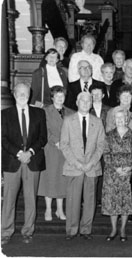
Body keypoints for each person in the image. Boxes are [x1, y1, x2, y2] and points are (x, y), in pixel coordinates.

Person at [1, 82, 47, 245]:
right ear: (14, 94)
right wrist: (20, 153)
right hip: (12, 161)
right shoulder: (4, 114)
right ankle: (5, 232)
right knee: (9, 200)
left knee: (30, 199)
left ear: (30, 94)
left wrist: (30, 152)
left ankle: (28, 231)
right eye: (20, 92)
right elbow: (3, 139)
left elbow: (43, 138)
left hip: (32, 161)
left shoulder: (39, 113)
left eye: (26, 93)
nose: (23, 95)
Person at [60, 92, 105, 240]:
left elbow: (101, 145)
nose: (85, 103)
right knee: (73, 200)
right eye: (83, 101)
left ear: (91, 103)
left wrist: (91, 162)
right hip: (74, 167)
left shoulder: (97, 122)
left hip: (92, 168)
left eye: (88, 101)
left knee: (90, 200)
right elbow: (64, 145)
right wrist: (77, 163)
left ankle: (86, 230)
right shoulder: (68, 121)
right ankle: (71, 230)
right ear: (77, 103)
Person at [102, 106, 132, 242]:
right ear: (114, 119)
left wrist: (130, 167)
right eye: (117, 117)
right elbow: (106, 154)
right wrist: (116, 168)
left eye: (122, 117)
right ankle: (113, 229)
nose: (120, 120)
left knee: (125, 202)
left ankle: (123, 229)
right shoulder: (108, 135)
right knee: (113, 203)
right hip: (112, 174)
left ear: (127, 119)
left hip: (128, 174)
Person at [38, 86, 74, 222]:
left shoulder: (71, 112)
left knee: (62, 179)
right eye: (57, 96)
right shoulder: (45, 111)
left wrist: (66, 143)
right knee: (50, 178)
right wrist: (56, 141)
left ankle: (60, 209)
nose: (60, 98)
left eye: (62, 96)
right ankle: (48, 209)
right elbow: (43, 130)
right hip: (51, 149)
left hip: (66, 150)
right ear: (52, 97)